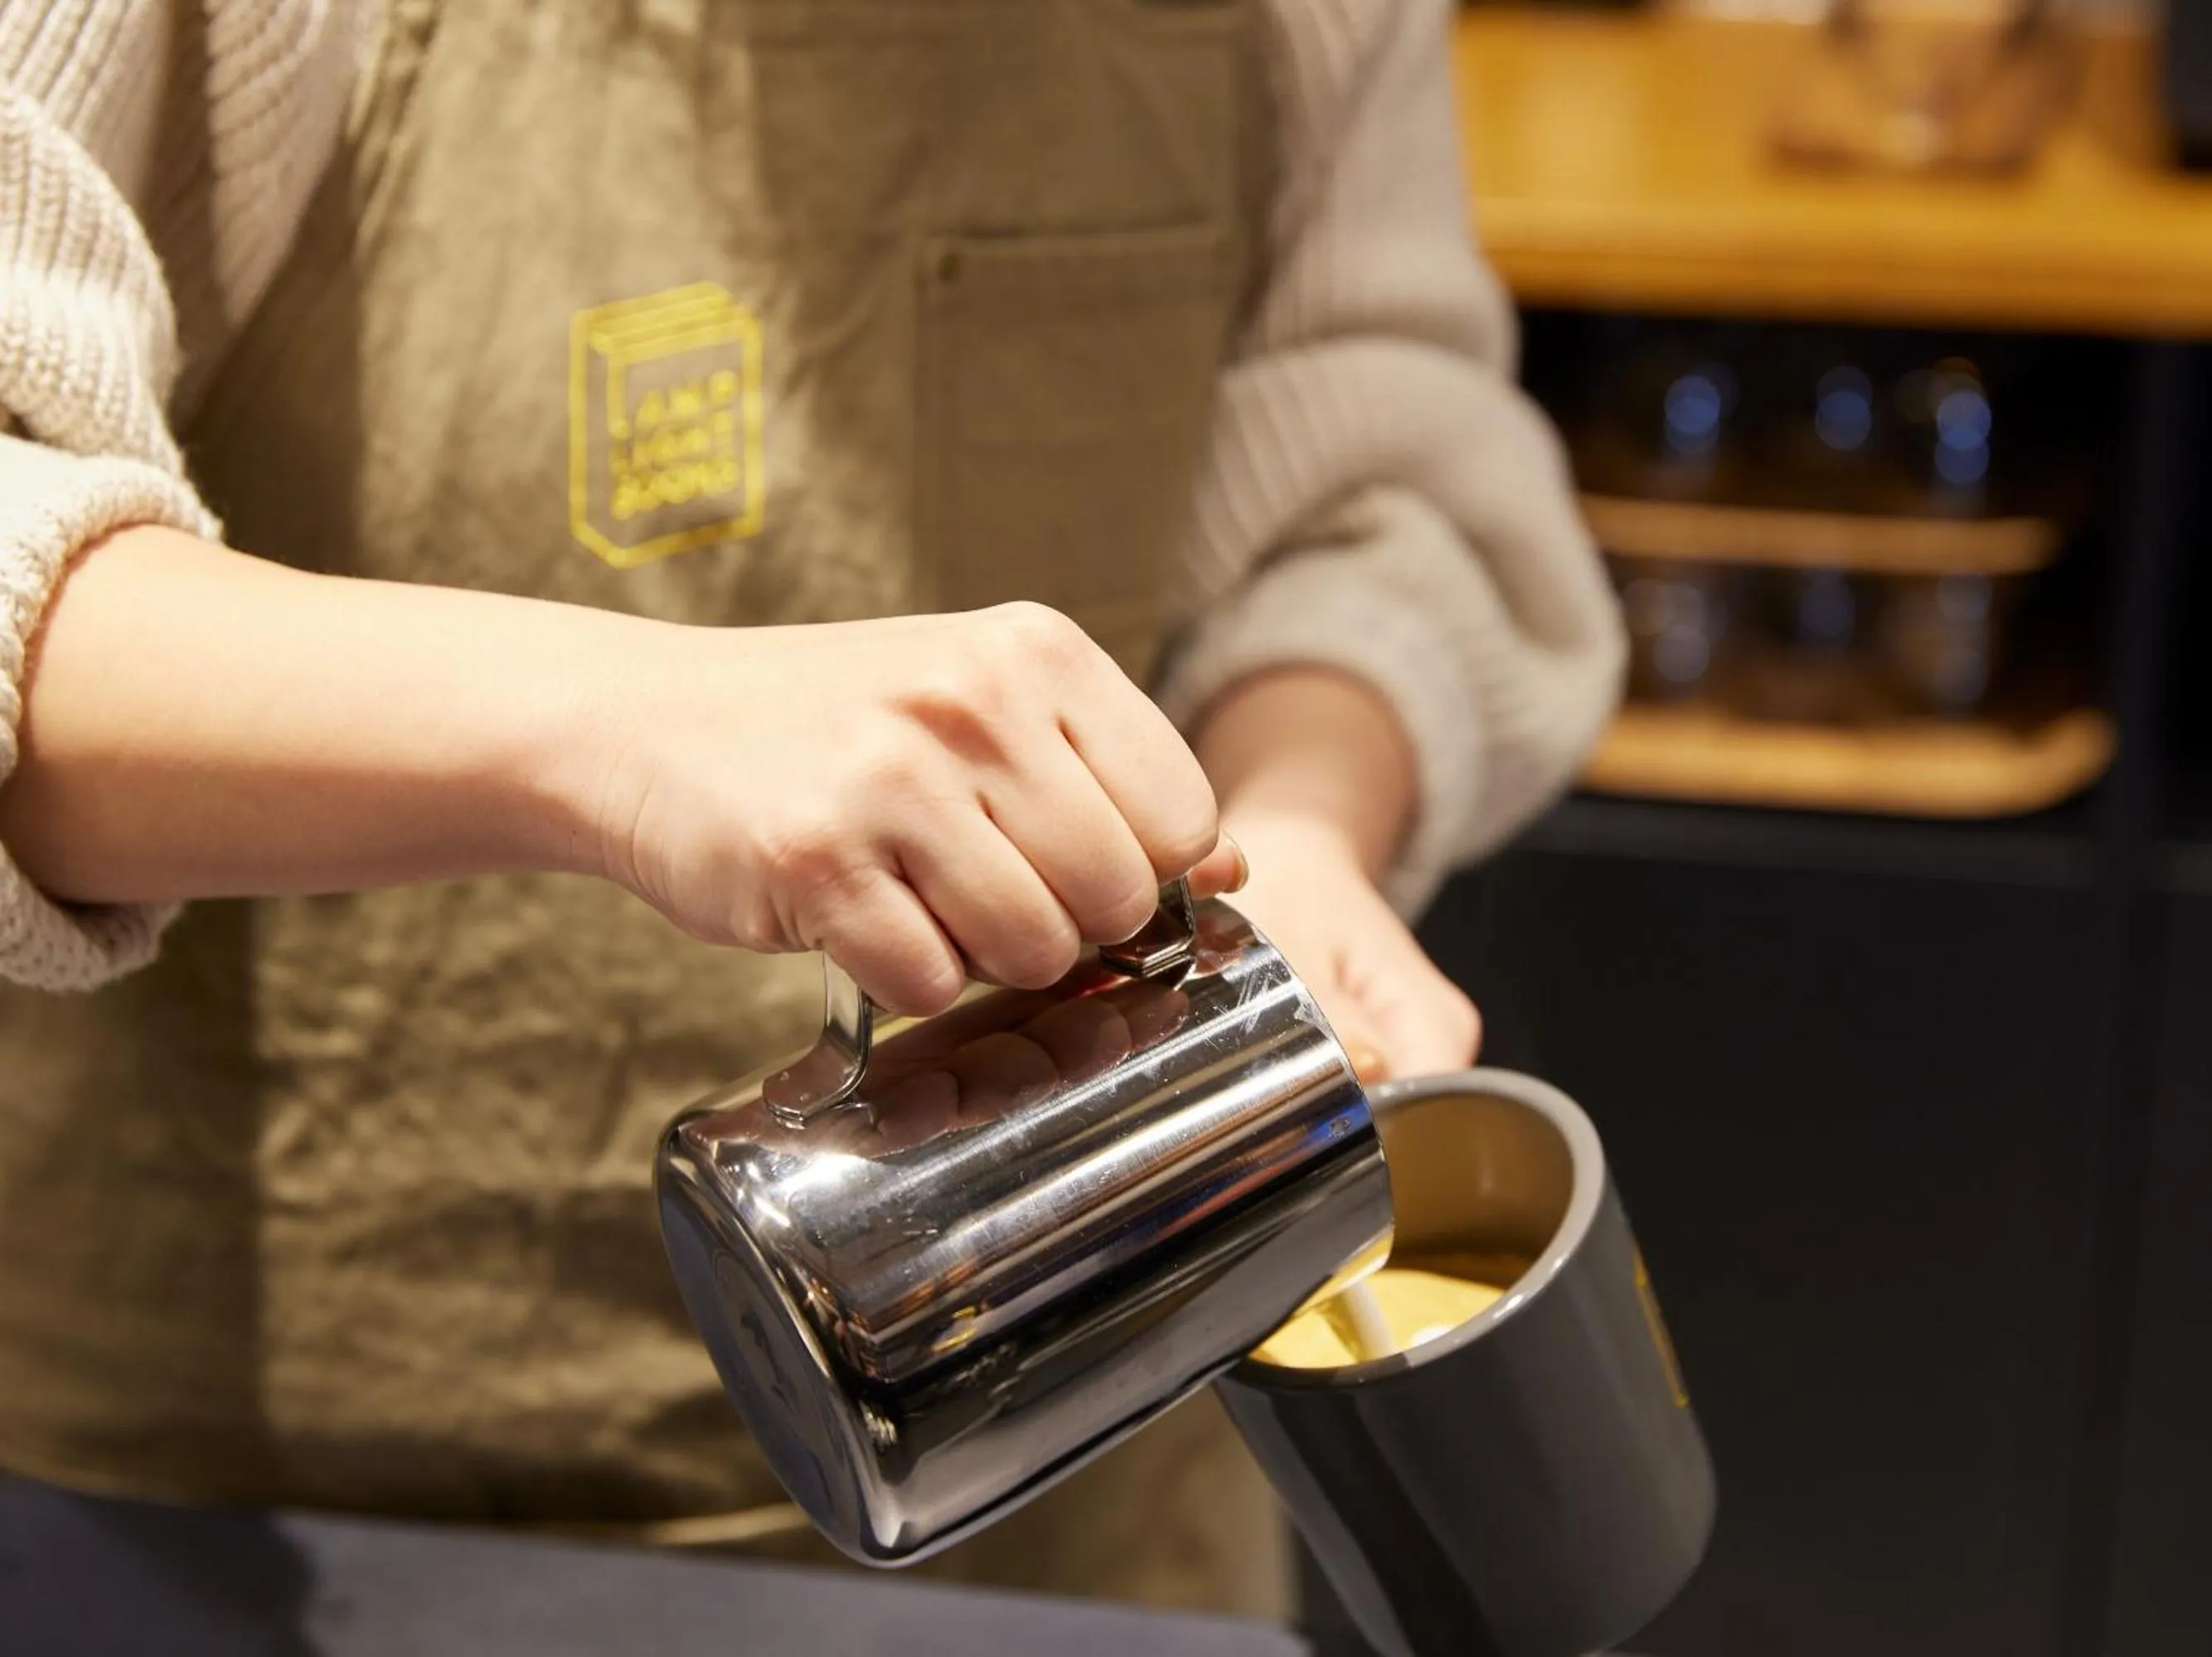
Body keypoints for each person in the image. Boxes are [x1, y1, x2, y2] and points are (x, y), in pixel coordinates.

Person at [0, 0, 1623, 1624]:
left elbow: (1369, 474)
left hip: (1063, 1511)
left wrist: (1304, 823)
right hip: (229, 1529)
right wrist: (626, 730)